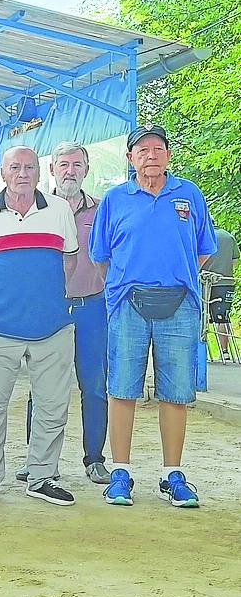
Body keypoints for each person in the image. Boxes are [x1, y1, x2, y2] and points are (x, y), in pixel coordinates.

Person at [89, 125, 217, 508]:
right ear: (130, 159)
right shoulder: (115, 200)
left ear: (168, 155)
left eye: (158, 149)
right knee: (122, 389)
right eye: (142, 150)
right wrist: (123, 287)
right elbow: (100, 257)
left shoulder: (188, 195)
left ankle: (172, 474)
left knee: (176, 393)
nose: (151, 155)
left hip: (180, 303)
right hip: (128, 305)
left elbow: (204, 249)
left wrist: (179, 277)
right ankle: (120, 472)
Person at [0, 145, 80, 507]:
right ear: (3, 173)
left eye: (29, 167)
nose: (23, 173)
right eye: (15, 167)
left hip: (53, 329)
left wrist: (45, 297)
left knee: (52, 406)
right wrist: (1, 294)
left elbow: (69, 262)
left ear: (39, 173)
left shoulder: (59, 210)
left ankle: (42, 476)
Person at [17, 141, 111, 486]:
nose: (70, 171)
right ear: (52, 170)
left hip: (92, 309)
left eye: (77, 165)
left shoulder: (101, 211)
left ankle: (95, 459)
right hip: (49, 310)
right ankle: (37, 462)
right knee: (40, 389)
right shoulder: (35, 210)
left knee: (95, 387)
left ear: (86, 170)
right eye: (63, 165)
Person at [204, 226, 238, 360]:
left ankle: (202, 354)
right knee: (222, 318)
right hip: (226, 283)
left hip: (205, 283)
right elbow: (235, 261)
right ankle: (225, 352)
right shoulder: (228, 236)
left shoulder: (202, 236)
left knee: (201, 318)